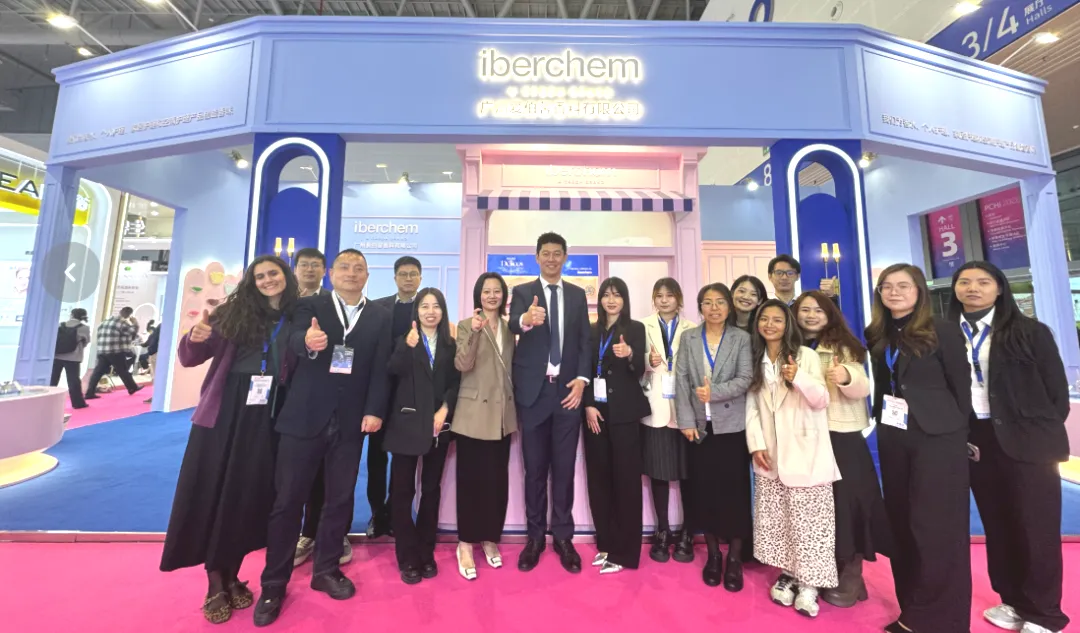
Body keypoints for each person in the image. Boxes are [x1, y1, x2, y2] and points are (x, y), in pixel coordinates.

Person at [255, 249, 391, 627]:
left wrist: (375, 410)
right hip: (304, 417)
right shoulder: (309, 304)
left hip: (350, 423)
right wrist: (307, 341)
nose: (351, 273)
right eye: (344, 267)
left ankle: (326, 569)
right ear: (331, 273)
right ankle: (274, 583)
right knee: (288, 502)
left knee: (339, 499)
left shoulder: (380, 315)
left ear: (367, 276)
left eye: (359, 268)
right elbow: (293, 338)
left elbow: (380, 368)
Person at [160, 255, 298, 625]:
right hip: (225, 413)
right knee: (215, 490)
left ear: (285, 277)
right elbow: (190, 357)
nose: (268, 280)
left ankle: (233, 572)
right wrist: (194, 338)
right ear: (252, 281)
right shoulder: (228, 314)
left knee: (246, 494)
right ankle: (215, 582)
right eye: (260, 276)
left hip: (268, 415)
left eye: (273, 273)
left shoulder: (294, 316)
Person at [949, 261, 1070, 633]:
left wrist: (1035, 430)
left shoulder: (1030, 331)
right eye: (964, 281)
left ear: (999, 288)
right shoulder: (946, 332)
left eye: (983, 282)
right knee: (998, 525)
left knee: (1036, 527)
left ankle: (1045, 613)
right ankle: (1014, 600)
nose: (973, 288)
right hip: (977, 440)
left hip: (1028, 442)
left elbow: (1057, 393)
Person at [866, 263, 972, 633]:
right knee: (902, 523)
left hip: (938, 438)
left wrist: (959, 434)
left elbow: (961, 387)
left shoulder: (942, 330)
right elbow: (885, 385)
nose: (894, 292)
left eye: (903, 285)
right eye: (886, 286)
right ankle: (911, 612)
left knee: (936, 527)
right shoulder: (879, 333)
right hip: (894, 435)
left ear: (919, 291)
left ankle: (943, 620)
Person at [793, 290, 888, 610]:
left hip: (840, 433)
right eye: (805, 309)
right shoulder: (789, 345)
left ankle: (852, 571)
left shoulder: (843, 345)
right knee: (816, 507)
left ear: (830, 314)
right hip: (803, 435)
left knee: (848, 503)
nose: (811, 315)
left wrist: (846, 376)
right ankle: (823, 567)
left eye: (818, 310)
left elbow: (863, 385)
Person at [746, 299, 838, 618]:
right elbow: (753, 407)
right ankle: (788, 573)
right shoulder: (756, 358)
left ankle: (810, 583)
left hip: (805, 451)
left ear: (788, 324)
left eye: (777, 319)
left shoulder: (805, 356)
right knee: (780, 519)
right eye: (764, 319)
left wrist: (798, 377)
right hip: (771, 454)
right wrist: (756, 444)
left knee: (810, 522)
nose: (770, 325)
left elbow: (821, 399)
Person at [509, 232, 591, 574]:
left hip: (568, 395)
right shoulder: (522, 292)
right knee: (534, 471)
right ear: (537, 257)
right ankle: (534, 538)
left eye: (558, 253)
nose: (552, 258)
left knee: (564, 469)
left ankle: (563, 537)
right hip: (533, 394)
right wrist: (526, 320)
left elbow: (585, 340)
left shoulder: (576, 294)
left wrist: (582, 379)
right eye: (546, 253)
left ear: (565, 257)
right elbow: (512, 323)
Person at [675, 282, 753, 590]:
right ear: (700, 308)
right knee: (704, 492)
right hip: (699, 428)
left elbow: (745, 378)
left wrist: (714, 392)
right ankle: (713, 556)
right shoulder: (689, 337)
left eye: (720, 302)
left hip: (732, 427)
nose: (714, 308)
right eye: (707, 302)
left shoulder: (741, 338)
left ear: (729, 306)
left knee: (734, 493)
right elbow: (681, 379)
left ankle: (734, 558)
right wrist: (685, 420)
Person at [385, 288, 460, 584]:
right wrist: (407, 346)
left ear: (443, 311)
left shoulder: (450, 344)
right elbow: (393, 371)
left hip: (438, 427)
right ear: (416, 311)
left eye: (436, 306)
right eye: (424, 306)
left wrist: (444, 409)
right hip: (405, 425)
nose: (430, 311)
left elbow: (456, 382)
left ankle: (426, 552)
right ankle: (406, 556)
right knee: (402, 492)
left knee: (431, 490)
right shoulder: (403, 340)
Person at [582, 277, 650, 575]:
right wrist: (587, 404)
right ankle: (606, 544)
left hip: (624, 413)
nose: (611, 300)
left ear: (624, 299)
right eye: (606, 295)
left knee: (626, 482)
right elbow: (583, 369)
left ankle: (626, 553)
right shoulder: (590, 330)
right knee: (599, 480)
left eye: (617, 295)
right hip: (595, 413)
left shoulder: (635, 329)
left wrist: (631, 354)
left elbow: (639, 371)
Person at [453, 272, 516, 580]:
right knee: (469, 481)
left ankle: (490, 537)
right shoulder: (467, 325)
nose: (492, 295)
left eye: (497, 291)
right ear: (478, 295)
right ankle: (465, 542)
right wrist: (476, 333)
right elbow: (462, 364)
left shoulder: (510, 328)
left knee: (496, 481)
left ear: (503, 296)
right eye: (486, 291)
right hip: (472, 413)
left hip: (502, 415)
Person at [368, 255, 424, 538]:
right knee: (376, 457)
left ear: (420, 278)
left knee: (403, 458)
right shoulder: (378, 307)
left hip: (411, 394)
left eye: (413, 274)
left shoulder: (427, 308)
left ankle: (395, 512)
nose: (408, 278)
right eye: (403, 274)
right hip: (382, 391)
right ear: (395, 278)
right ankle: (377, 513)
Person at [291, 247, 340, 568]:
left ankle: (314, 532)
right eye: (304, 265)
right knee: (287, 473)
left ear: (325, 271)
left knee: (324, 471)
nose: (310, 270)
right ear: (295, 268)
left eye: (316, 265)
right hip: (284, 392)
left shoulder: (332, 304)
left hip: (323, 398)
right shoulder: (283, 301)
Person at [641, 278, 695, 563]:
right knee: (658, 472)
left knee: (689, 474)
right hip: (656, 407)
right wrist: (647, 362)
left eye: (669, 295)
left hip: (685, 409)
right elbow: (633, 367)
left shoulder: (692, 328)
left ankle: (687, 532)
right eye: (659, 295)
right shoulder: (642, 326)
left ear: (679, 299)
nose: (664, 300)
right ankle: (662, 530)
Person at [85, 306, 143, 400]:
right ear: (129, 315)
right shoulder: (121, 323)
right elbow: (133, 332)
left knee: (97, 372)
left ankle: (89, 392)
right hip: (115, 351)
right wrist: (135, 323)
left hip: (102, 351)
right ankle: (132, 388)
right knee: (122, 370)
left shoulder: (104, 322)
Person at [52, 308, 91, 409]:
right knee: (73, 380)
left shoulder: (61, 324)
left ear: (72, 315)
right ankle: (77, 403)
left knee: (53, 379)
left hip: (57, 356)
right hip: (73, 357)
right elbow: (86, 341)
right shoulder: (84, 328)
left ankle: (47, 400)